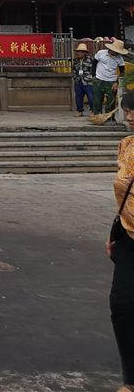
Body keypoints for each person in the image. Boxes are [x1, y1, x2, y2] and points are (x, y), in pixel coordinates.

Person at [107, 91, 134, 392]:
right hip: (127, 234)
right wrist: (113, 233)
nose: (129, 118)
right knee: (123, 304)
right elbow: (124, 194)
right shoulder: (126, 144)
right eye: (126, 111)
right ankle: (132, 379)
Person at [95, 40, 129, 116]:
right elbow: (94, 63)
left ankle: (109, 116)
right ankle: (97, 115)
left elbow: (122, 72)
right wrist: (93, 76)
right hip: (99, 78)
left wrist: (117, 82)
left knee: (111, 100)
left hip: (112, 80)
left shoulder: (120, 59)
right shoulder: (101, 53)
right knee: (97, 99)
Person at [73, 43, 95, 117]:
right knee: (78, 96)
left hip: (88, 81)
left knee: (91, 97)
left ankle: (93, 110)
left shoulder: (90, 60)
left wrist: (92, 76)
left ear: (84, 52)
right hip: (78, 80)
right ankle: (80, 111)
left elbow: (94, 69)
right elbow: (73, 70)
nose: (78, 53)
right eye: (78, 52)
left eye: (80, 52)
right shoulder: (75, 60)